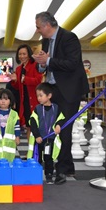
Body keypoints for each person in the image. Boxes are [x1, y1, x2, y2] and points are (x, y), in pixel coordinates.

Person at [32, 11, 89, 184]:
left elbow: (72, 64)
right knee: (49, 128)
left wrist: (48, 61)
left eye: (38, 27)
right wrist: (42, 64)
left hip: (68, 91)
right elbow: (47, 65)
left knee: (64, 130)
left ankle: (63, 170)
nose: (38, 31)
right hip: (52, 90)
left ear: (47, 25)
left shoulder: (69, 38)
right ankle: (63, 166)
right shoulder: (45, 41)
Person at [28, 83, 65, 184]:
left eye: (41, 95)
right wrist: (37, 136)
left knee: (49, 158)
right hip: (40, 139)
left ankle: (49, 175)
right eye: (37, 96)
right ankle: (35, 175)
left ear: (49, 96)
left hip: (50, 139)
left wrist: (58, 125)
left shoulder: (56, 108)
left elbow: (61, 119)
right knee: (37, 158)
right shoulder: (37, 109)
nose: (38, 98)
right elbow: (33, 123)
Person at [8, 44, 43, 140]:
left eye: (24, 54)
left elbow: (39, 80)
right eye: (20, 54)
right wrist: (14, 81)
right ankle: (30, 152)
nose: (22, 56)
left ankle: (38, 153)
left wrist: (26, 79)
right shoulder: (18, 69)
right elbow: (18, 87)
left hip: (35, 101)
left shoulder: (35, 65)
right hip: (24, 102)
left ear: (29, 54)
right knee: (29, 127)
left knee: (37, 127)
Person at [0, 88, 20, 162]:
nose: (3, 101)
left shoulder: (14, 114)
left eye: (6, 99)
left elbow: (17, 127)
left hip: (9, 144)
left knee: (9, 162)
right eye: (0, 99)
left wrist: (17, 136)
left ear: (10, 101)